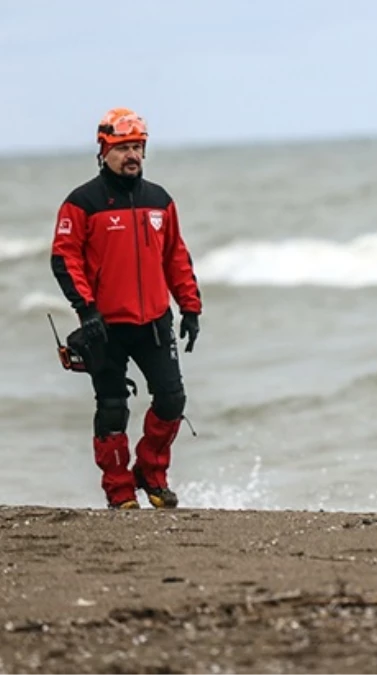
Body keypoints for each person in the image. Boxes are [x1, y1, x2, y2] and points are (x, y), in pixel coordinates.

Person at [50, 107, 203, 510]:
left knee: (172, 400)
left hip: (154, 321)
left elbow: (176, 256)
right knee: (113, 408)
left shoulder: (160, 200)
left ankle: (151, 475)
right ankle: (119, 493)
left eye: (137, 146)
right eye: (122, 148)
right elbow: (65, 258)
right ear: (104, 151)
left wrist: (190, 306)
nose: (131, 154)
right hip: (105, 327)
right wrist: (86, 311)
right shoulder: (82, 202)